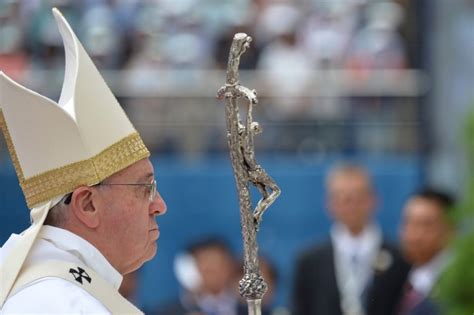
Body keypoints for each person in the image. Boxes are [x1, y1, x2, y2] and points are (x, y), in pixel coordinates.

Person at [0, 8, 166, 314]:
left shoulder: (52, 291)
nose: (159, 205)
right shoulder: (66, 305)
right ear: (87, 204)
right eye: (145, 188)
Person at [292, 163, 410, 315]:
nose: (352, 205)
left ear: (374, 200)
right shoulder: (309, 260)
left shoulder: (400, 256)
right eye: (344, 198)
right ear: (329, 203)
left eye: (358, 197)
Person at [397, 188, 455, 315]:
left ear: (451, 229)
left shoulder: (459, 285)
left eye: (425, 225)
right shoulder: (397, 276)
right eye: (408, 222)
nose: (413, 234)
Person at [155, 237, 240, 315]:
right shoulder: (169, 312)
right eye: (208, 269)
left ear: (230, 266)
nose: (214, 275)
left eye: (219, 265)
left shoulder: (249, 307)